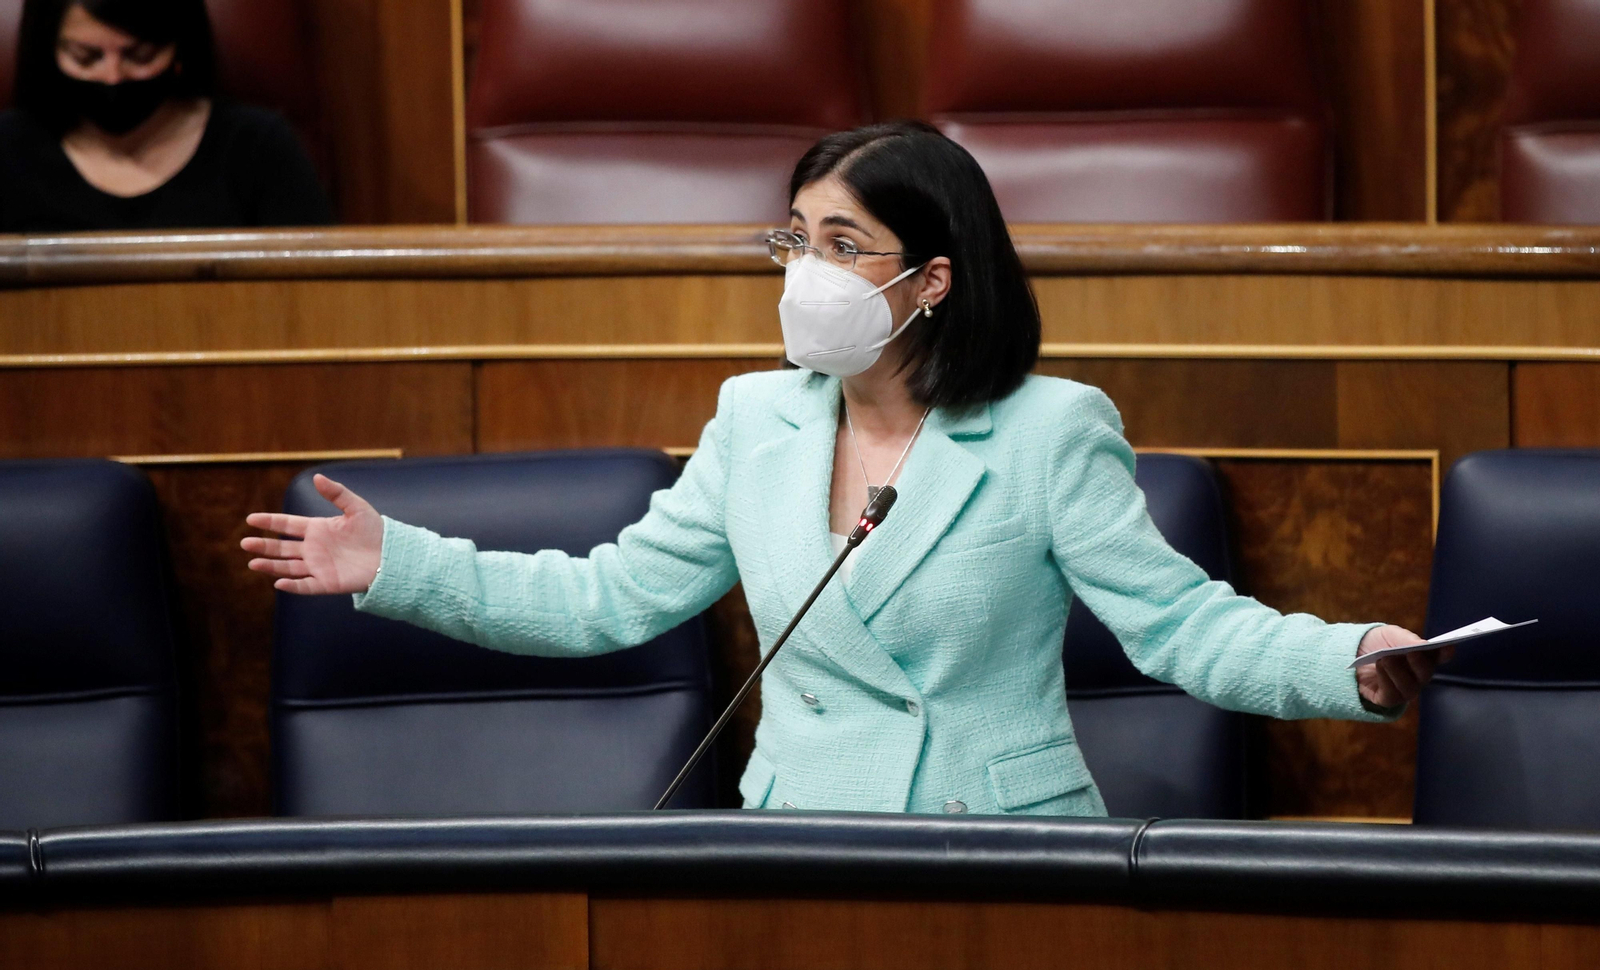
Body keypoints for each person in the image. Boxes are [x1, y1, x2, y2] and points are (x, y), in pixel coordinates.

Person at [241, 122, 1443, 816]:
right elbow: (606, 598)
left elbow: (1179, 628)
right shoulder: (755, 418)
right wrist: (395, 563)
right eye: (795, 239)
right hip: (799, 844)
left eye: (842, 245)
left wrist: (1347, 660)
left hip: (999, 849)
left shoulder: (1047, 429)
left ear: (931, 280)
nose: (803, 273)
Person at [0, 0, 334, 233]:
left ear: (178, 47)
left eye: (140, 55)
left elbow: (314, 293)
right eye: (86, 57)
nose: (113, 77)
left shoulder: (258, 146)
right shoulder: (9, 149)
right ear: (49, 51)